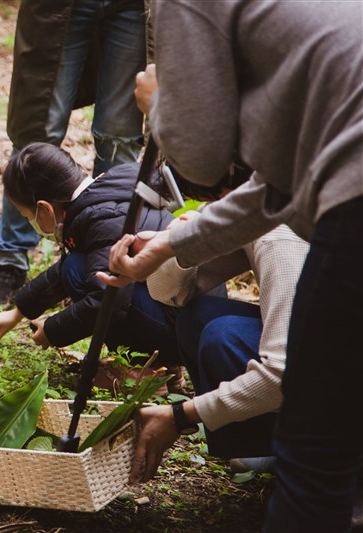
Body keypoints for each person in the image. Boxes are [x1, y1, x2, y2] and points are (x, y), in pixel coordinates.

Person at [98, 1, 363, 529]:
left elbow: (200, 151)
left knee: (313, 450)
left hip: (351, 190)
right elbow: (264, 197)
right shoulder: (290, 150)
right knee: (207, 321)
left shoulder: (285, 236)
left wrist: (160, 105)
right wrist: (168, 245)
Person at [0, 0, 146, 310]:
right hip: (60, 6)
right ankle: (9, 261)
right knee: (36, 133)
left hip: (135, 6)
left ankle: (106, 261)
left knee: (119, 136)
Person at [134, 212, 308, 476]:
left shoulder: (279, 235)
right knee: (198, 318)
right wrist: (179, 247)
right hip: (323, 344)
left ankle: (334, 459)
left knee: (224, 336)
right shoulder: (249, 209)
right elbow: (168, 293)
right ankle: (273, 445)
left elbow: (285, 373)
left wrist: (181, 415)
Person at [0, 143, 180, 369]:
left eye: (27, 216)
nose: (31, 223)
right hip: (175, 313)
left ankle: (143, 368)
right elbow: (70, 268)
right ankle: (161, 366)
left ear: (45, 209)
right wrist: (19, 312)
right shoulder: (105, 197)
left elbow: (108, 299)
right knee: (75, 265)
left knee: (76, 270)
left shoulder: (104, 218)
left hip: (180, 331)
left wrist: (52, 330)